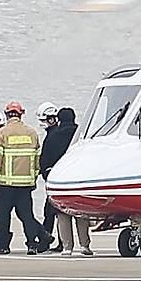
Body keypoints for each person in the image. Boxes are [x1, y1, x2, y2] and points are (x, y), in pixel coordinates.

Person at [0, 102, 53, 255]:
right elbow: (37, 161)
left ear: (7, 114)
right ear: (21, 114)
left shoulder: (2, 133)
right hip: (25, 184)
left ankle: (2, 246)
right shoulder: (32, 133)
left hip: (5, 184)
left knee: (4, 216)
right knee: (27, 215)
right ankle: (32, 244)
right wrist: (33, 178)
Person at [48, 108, 93, 256]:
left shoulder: (53, 136)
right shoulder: (82, 135)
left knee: (62, 215)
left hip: (60, 180)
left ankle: (67, 247)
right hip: (80, 179)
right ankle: (84, 245)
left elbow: (44, 160)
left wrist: (47, 175)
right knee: (81, 214)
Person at [37, 102, 63, 253]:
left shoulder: (53, 136)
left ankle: (46, 241)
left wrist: (44, 170)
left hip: (54, 178)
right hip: (54, 177)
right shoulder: (55, 134)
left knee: (51, 212)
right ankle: (57, 241)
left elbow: (47, 157)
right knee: (52, 213)